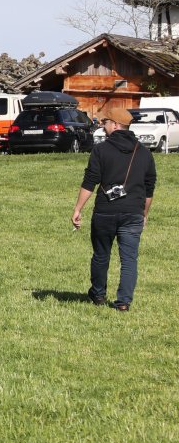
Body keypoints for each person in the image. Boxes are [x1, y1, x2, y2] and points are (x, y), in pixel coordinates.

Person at [73, 106, 156, 311]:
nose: (103, 126)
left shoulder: (101, 150)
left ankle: (98, 295)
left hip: (105, 212)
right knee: (129, 259)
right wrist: (144, 214)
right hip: (133, 212)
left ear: (116, 125)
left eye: (106, 122)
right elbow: (149, 188)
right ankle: (123, 302)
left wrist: (78, 209)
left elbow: (90, 181)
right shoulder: (144, 153)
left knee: (101, 255)